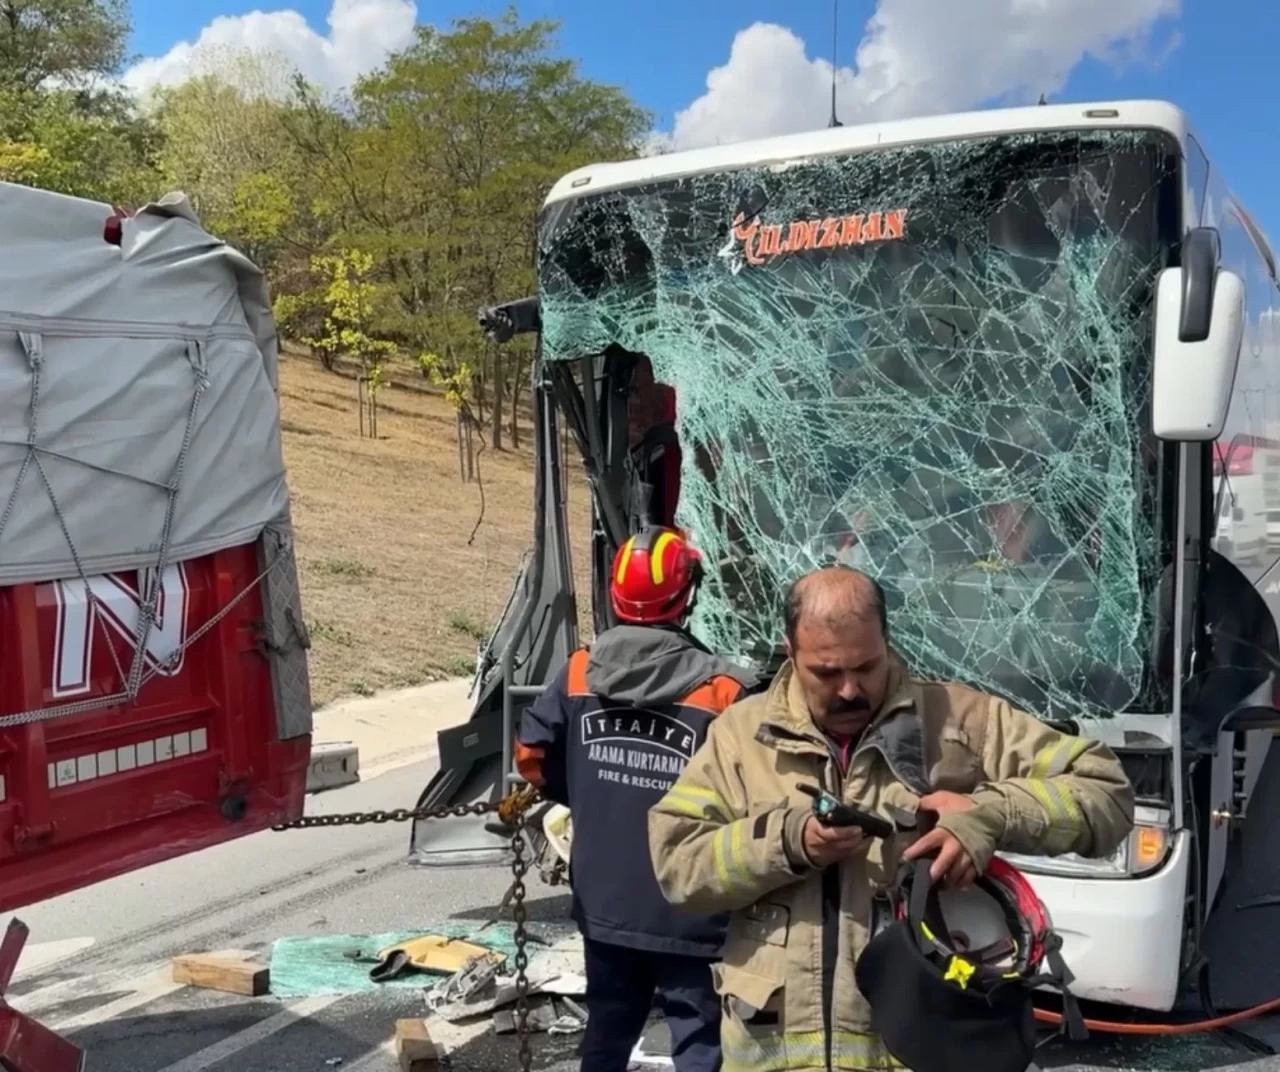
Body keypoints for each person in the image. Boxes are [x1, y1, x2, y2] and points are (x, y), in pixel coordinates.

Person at [647, 565, 1134, 1072]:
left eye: (866, 667)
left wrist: (989, 816)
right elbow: (677, 865)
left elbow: (1107, 792)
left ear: (887, 643)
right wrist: (789, 843)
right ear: (790, 655)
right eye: (827, 673)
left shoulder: (959, 722)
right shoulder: (742, 737)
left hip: (918, 1049)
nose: (851, 690)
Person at [516, 525, 758, 1072]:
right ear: (688, 594)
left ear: (615, 593)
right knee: (700, 1044)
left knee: (607, 1035)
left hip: (606, 906)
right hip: (693, 909)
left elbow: (530, 757)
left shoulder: (579, 673)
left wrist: (588, 794)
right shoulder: (725, 692)